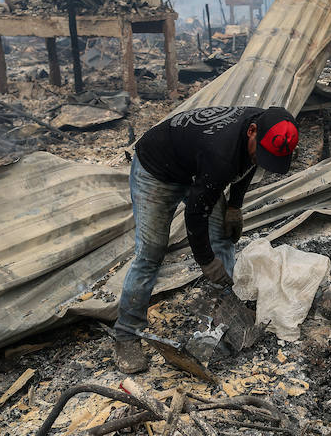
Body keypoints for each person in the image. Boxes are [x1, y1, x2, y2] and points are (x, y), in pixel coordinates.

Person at [114, 106, 299, 373]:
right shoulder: (221, 153)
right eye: (261, 152)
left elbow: (247, 166)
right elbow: (194, 215)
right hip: (156, 171)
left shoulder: (265, 126)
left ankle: (219, 321)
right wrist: (206, 261)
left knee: (223, 236)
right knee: (150, 253)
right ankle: (126, 335)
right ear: (252, 131)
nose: (261, 159)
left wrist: (234, 207)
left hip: (198, 168)